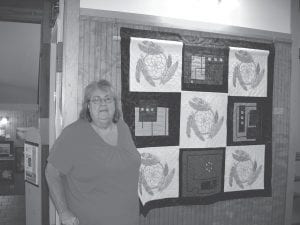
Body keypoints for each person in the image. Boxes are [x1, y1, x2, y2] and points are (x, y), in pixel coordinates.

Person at [45, 79, 141, 225]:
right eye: (96, 100)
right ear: (88, 106)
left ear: (115, 104)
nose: (103, 103)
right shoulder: (73, 134)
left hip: (130, 219)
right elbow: (51, 173)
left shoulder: (123, 127)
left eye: (108, 99)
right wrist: (64, 212)